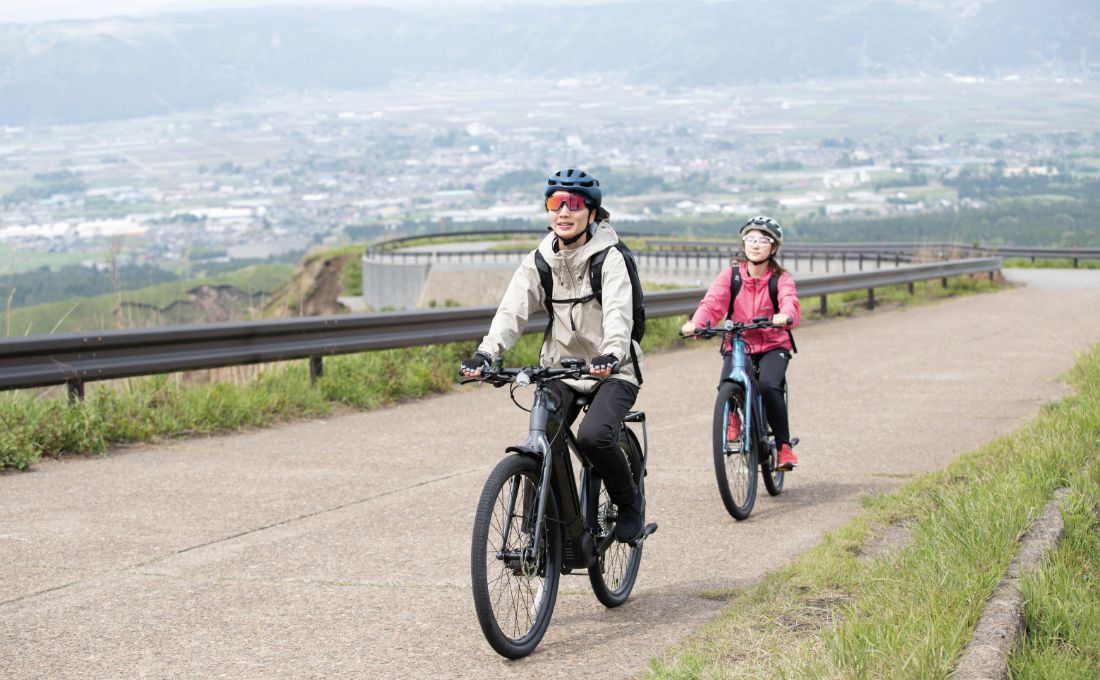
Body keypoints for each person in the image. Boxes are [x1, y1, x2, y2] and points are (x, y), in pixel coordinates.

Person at [460, 168, 646, 542]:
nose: (563, 212)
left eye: (574, 204)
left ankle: (629, 506)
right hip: (560, 368)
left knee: (594, 437)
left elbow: (618, 314)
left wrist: (611, 354)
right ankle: (538, 534)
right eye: (555, 203)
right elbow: (511, 311)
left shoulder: (610, 258)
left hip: (613, 370)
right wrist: (486, 352)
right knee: (543, 434)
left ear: (592, 212)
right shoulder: (540, 261)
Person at [681, 215, 802, 471]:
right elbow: (713, 303)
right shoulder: (731, 276)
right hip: (738, 342)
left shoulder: (780, 279)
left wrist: (785, 315)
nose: (755, 245)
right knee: (728, 383)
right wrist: (698, 322)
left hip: (772, 344)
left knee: (769, 386)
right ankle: (733, 417)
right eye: (750, 239)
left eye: (763, 240)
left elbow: (790, 301)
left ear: (773, 247)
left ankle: (783, 447)